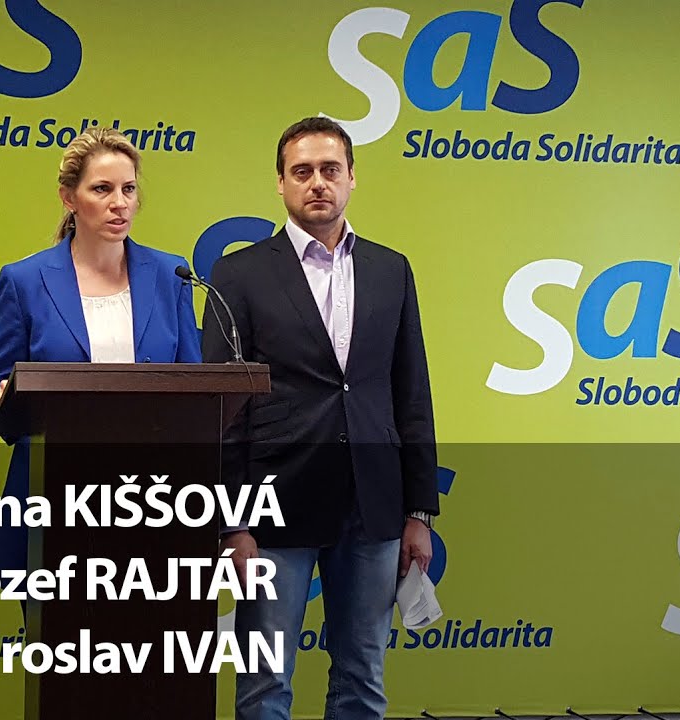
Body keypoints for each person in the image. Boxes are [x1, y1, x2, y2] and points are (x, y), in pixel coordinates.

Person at [202, 116, 438, 720]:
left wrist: (418, 512)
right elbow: (223, 411)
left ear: (352, 177)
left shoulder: (391, 269)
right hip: (273, 510)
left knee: (363, 677)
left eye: (330, 169)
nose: (317, 183)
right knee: (264, 684)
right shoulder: (238, 275)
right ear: (280, 183)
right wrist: (231, 523)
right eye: (301, 171)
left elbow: (411, 392)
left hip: (373, 505)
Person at [0, 126, 202, 588]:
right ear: (69, 198)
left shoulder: (170, 274)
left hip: (153, 499)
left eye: (128, 189)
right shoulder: (25, 280)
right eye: (102, 189)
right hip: (54, 497)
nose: (120, 203)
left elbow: (194, 385)